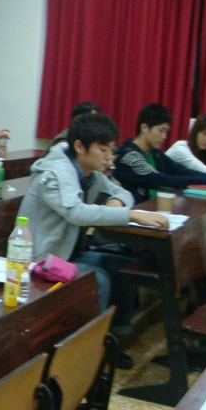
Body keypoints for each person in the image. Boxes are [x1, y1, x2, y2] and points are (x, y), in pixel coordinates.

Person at [19, 114, 170, 365]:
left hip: (67, 253)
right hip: (38, 259)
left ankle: (112, 340)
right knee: (97, 278)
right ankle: (85, 356)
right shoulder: (55, 172)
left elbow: (123, 192)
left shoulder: (89, 171)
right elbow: (76, 213)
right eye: (103, 149)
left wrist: (117, 202)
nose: (109, 157)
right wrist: (130, 214)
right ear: (80, 146)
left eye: (111, 148)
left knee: (122, 268)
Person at [114, 103, 206, 203]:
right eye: (161, 131)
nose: (164, 137)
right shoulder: (130, 156)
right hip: (137, 215)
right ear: (144, 128)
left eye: (166, 132)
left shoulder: (156, 153)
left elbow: (183, 171)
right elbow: (162, 181)